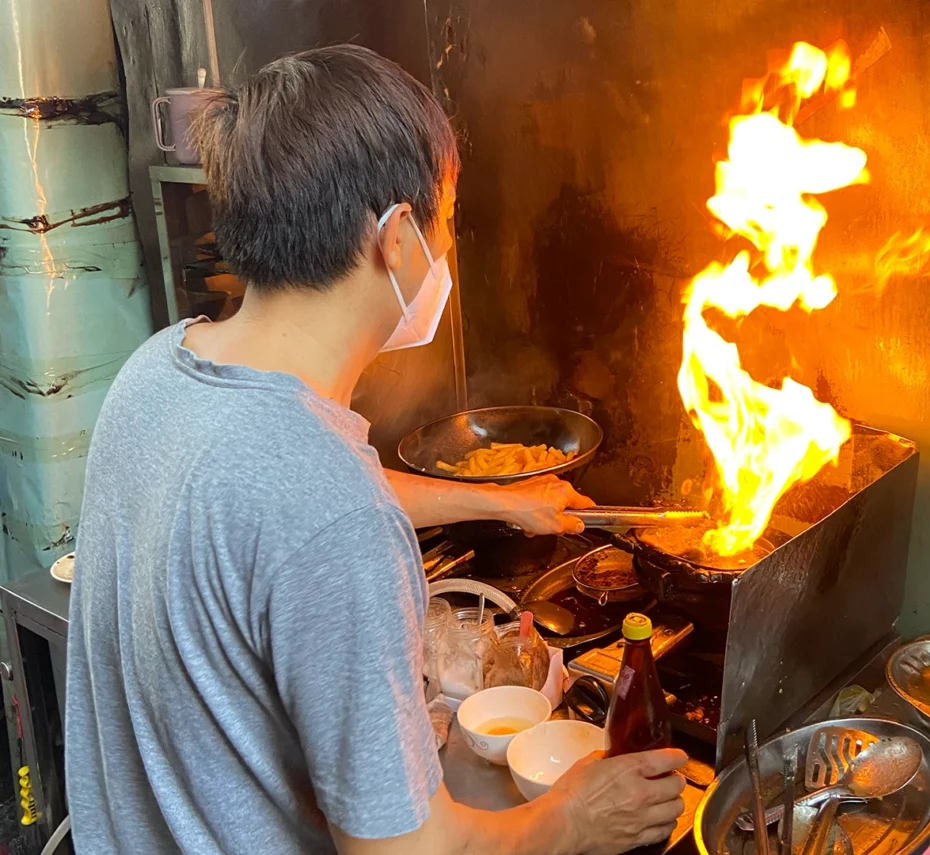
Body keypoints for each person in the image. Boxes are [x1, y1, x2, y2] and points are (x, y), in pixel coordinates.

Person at [65, 45, 686, 855]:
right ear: (397, 237)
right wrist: (571, 818)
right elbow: (403, 851)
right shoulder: (330, 509)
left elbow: (279, 510)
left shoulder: (159, 371)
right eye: (448, 215)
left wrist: (499, 499)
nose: (449, 247)